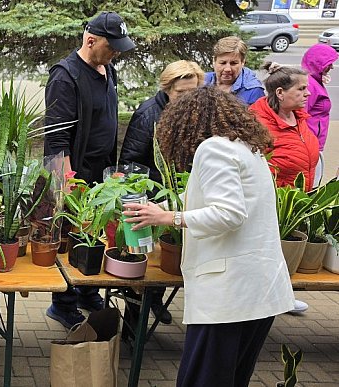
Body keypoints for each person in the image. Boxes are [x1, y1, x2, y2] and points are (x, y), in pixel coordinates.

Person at [122, 86, 295, 387]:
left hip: (230, 296)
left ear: (187, 122)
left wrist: (168, 218)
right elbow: (210, 198)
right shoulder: (245, 148)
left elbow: (228, 213)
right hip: (260, 291)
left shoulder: (213, 148)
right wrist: (159, 207)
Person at [42, 11, 135, 329]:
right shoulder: (65, 76)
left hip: (100, 169)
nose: (117, 53)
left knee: (94, 232)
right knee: (71, 235)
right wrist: (66, 183)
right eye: (112, 47)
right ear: (90, 40)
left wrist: (113, 171)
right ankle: (63, 302)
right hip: (73, 172)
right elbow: (57, 138)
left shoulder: (108, 69)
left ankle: (85, 289)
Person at [119, 60, 204, 325]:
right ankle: (135, 324)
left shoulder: (196, 113)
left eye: (192, 92)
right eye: (181, 93)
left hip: (180, 198)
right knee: (144, 262)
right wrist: (144, 197)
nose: (186, 98)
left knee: (168, 255)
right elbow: (131, 161)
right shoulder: (148, 114)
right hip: (153, 200)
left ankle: (156, 298)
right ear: (167, 88)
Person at [250, 62, 319, 315]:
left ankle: (280, 296)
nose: (307, 93)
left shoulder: (298, 117)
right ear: (280, 93)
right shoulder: (258, 122)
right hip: (273, 202)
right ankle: (263, 302)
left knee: (281, 254)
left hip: (296, 199)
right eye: (301, 89)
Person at [301, 43, 337, 187]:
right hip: (310, 145)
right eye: (329, 63)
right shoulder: (310, 84)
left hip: (315, 144)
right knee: (311, 186)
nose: (332, 67)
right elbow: (301, 115)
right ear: (318, 63)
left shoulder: (316, 82)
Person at [203, 36, 264, 105]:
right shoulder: (202, 81)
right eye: (223, 63)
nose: (227, 69)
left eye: (233, 63)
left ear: (242, 62)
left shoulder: (254, 90)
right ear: (214, 61)